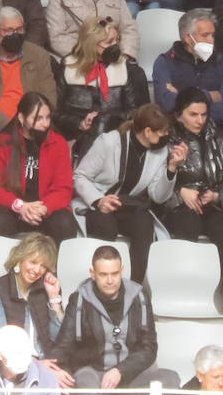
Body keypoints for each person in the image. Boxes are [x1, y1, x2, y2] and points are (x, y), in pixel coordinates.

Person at [51, 245, 180, 395]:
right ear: (93, 274)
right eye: (103, 274)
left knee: (170, 379)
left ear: (122, 270)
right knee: (84, 384)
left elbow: (149, 348)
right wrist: (52, 369)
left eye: (115, 273)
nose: (110, 280)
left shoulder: (139, 297)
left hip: (131, 375)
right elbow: (64, 344)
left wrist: (121, 370)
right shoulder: (78, 299)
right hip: (92, 373)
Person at [73, 104, 181, 283]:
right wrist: (99, 200)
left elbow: (158, 196)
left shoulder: (160, 152)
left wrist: (171, 169)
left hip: (128, 205)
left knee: (144, 223)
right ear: (148, 132)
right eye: (163, 132)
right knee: (106, 226)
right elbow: (80, 176)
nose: (167, 136)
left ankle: (134, 286)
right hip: (98, 204)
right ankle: (103, 283)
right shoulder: (109, 142)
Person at [164, 88, 223, 314]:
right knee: (186, 223)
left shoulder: (218, 140)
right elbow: (154, 183)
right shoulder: (167, 140)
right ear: (179, 114)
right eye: (193, 115)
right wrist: (180, 191)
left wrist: (217, 195)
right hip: (180, 205)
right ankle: (186, 290)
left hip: (213, 203)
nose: (200, 120)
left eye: (203, 114)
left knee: (222, 225)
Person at [0, 92, 79, 242]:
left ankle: (56, 266)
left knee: (65, 222)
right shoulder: (2, 142)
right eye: (38, 118)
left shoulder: (58, 143)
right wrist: (20, 206)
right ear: (22, 118)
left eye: (48, 117)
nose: (45, 124)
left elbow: (63, 189)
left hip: (43, 211)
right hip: (11, 209)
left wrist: (44, 208)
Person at [54, 16, 149, 159]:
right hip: (74, 135)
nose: (115, 45)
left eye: (117, 40)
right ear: (91, 44)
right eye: (109, 42)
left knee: (100, 127)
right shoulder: (68, 67)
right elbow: (54, 111)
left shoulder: (127, 70)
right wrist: (79, 123)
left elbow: (136, 112)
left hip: (114, 137)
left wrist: (107, 119)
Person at [0, 7, 56, 152]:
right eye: (8, 30)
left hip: (34, 122)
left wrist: (34, 121)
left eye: (19, 30)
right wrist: (14, 125)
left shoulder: (39, 55)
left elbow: (49, 96)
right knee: (11, 142)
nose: (15, 34)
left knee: (55, 142)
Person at [152, 8, 223, 140]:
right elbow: (166, 103)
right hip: (178, 133)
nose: (211, 41)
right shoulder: (164, 62)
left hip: (218, 132)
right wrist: (210, 96)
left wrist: (182, 98)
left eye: (213, 35)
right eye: (205, 35)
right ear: (188, 38)